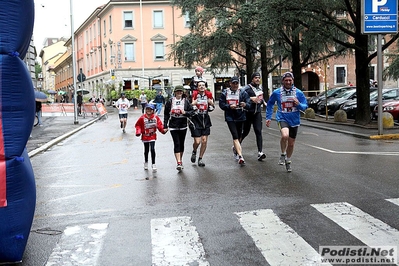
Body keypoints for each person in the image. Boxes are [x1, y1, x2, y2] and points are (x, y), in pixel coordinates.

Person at [265, 71, 308, 172]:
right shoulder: (277, 92)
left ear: (292, 81)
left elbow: (305, 106)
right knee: (285, 136)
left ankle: (288, 160)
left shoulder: (298, 93)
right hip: (282, 117)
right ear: (283, 81)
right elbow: (270, 104)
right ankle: (283, 153)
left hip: (294, 119)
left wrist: (298, 104)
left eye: (290, 80)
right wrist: (268, 117)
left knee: (291, 144)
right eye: (286, 80)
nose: (288, 82)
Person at [218, 76, 251, 165]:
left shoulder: (243, 92)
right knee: (235, 136)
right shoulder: (225, 93)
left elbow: (249, 103)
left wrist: (244, 104)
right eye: (233, 83)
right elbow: (221, 105)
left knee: (239, 136)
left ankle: (235, 149)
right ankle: (241, 156)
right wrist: (229, 106)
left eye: (237, 83)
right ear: (230, 84)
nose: (235, 85)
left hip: (240, 116)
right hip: (230, 117)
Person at [163, 85, 194, 172]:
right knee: (176, 143)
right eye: (177, 91)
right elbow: (166, 114)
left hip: (183, 125)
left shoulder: (186, 101)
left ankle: (180, 159)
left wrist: (185, 112)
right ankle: (179, 162)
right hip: (173, 125)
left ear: (183, 92)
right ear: (175, 92)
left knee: (181, 144)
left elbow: (191, 112)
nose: (179, 93)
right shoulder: (170, 101)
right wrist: (165, 125)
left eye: (180, 91)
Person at [241, 72, 267, 161]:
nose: (257, 79)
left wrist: (264, 102)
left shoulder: (260, 87)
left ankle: (260, 152)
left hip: (257, 113)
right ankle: (236, 146)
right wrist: (251, 99)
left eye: (259, 78)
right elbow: (240, 96)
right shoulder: (247, 88)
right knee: (245, 132)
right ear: (252, 79)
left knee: (258, 131)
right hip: (248, 112)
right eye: (256, 78)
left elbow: (260, 96)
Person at [135, 104, 167, 172]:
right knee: (146, 150)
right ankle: (146, 162)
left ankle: (153, 163)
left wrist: (163, 131)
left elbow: (159, 125)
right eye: (147, 109)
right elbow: (138, 125)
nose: (149, 111)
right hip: (145, 136)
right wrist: (138, 132)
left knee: (152, 149)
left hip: (152, 136)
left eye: (150, 109)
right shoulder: (142, 118)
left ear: (153, 110)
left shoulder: (156, 118)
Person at [189, 80, 214, 167]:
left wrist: (211, 104)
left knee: (204, 141)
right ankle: (194, 151)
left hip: (205, 118)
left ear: (205, 87)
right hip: (196, 119)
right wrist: (193, 104)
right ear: (197, 87)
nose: (202, 87)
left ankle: (200, 158)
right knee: (197, 141)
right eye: (200, 85)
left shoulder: (209, 94)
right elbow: (189, 106)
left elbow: (211, 107)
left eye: (203, 85)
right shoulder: (194, 94)